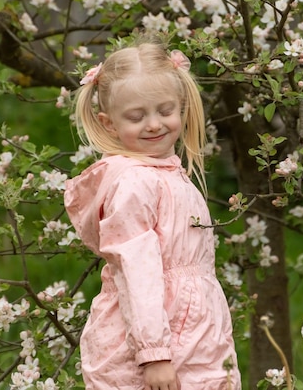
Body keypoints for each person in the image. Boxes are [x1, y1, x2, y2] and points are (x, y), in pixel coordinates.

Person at [63, 37, 241, 390]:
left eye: (165, 110)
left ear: (182, 108)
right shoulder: (134, 182)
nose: (154, 124)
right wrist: (154, 354)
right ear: (109, 123)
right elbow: (137, 268)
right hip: (153, 341)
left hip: (194, 334)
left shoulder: (168, 173)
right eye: (136, 116)